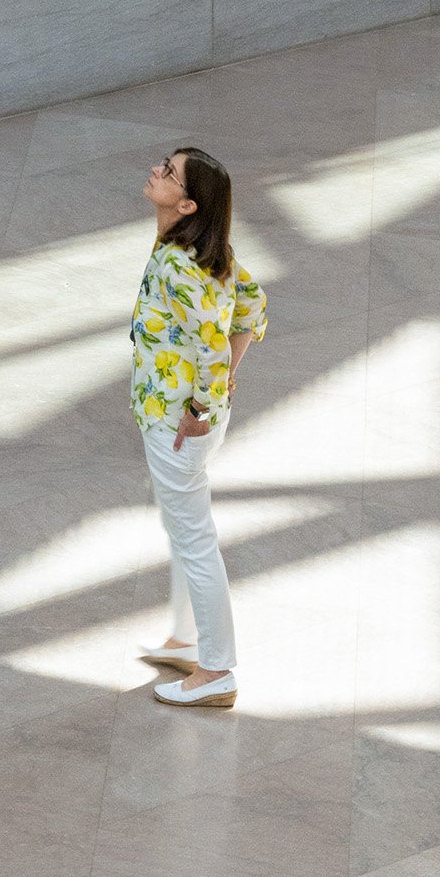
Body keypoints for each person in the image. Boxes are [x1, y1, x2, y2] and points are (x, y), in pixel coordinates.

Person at [131, 145, 267, 709]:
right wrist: (226, 384)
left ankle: (215, 671)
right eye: (166, 162)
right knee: (183, 530)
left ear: (186, 204)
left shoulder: (180, 267)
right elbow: (252, 308)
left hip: (176, 424)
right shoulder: (210, 254)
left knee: (194, 539)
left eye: (170, 172)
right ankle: (186, 640)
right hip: (186, 418)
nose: (157, 170)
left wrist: (201, 409)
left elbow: (212, 345)